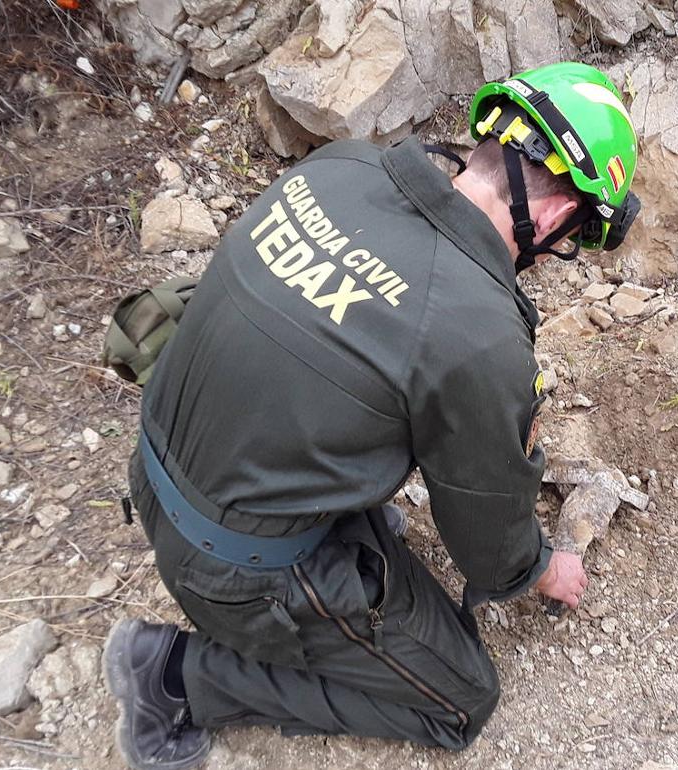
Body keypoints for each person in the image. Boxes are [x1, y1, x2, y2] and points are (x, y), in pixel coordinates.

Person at [102, 61, 641, 770]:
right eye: (571, 235)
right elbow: (487, 537)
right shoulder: (477, 332)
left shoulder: (343, 168)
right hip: (230, 564)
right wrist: (541, 567)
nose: (556, 251)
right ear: (551, 216)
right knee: (460, 700)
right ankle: (172, 678)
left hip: (160, 465)